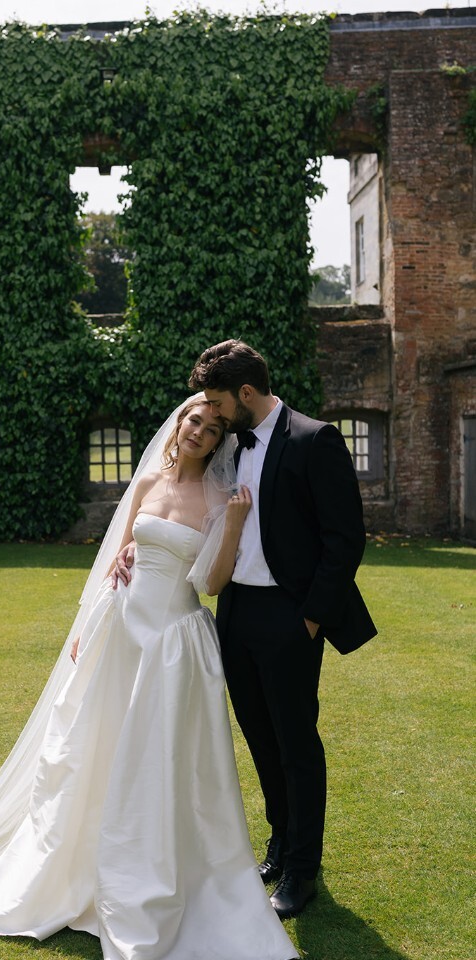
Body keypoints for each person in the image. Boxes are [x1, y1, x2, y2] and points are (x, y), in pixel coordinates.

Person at [0, 394, 298, 960]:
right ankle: (79, 867)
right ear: (179, 423)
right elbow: (116, 562)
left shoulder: (219, 498)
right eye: (194, 420)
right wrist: (88, 627)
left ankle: (149, 875)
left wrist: (234, 521)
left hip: (169, 646)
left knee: (158, 762)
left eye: (213, 429)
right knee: (90, 749)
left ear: (219, 443)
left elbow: (210, 583)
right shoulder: (146, 484)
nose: (200, 433)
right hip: (119, 633)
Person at [115, 340, 377, 921]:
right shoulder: (228, 444)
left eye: (216, 399)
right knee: (259, 739)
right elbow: (182, 507)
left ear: (246, 394)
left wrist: (310, 617)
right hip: (232, 616)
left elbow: (345, 540)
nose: (208, 409)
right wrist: (135, 542)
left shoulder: (315, 440)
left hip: (290, 617)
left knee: (296, 743)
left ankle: (304, 871)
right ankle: (280, 845)